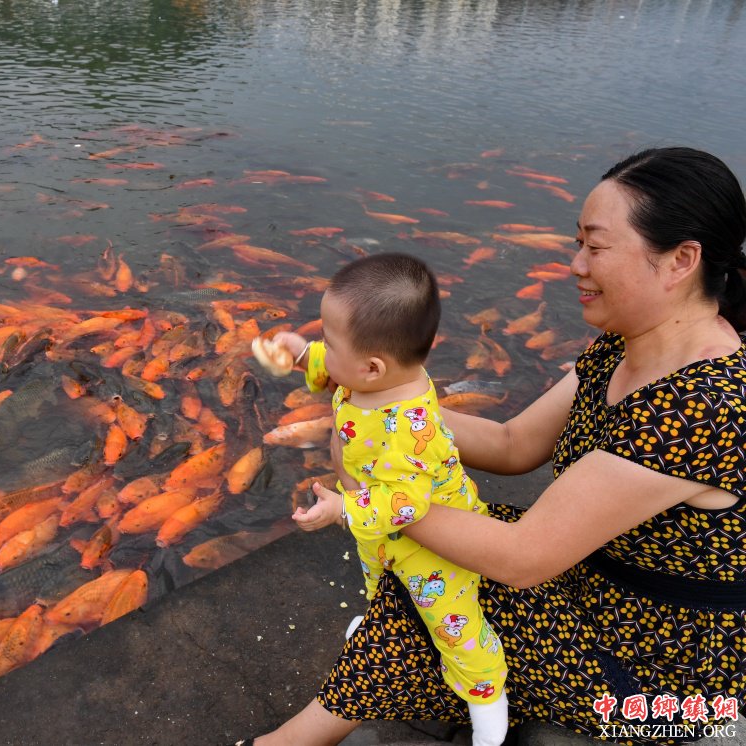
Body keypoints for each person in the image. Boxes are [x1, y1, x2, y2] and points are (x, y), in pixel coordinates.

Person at [248, 145, 746, 746]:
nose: (576, 264)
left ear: (681, 260)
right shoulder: (625, 346)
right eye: (577, 243)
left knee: (427, 582)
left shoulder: (704, 406)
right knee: (433, 570)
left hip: (657, 674)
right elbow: (514, 444)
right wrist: (386, 406)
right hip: (590, 587)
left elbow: (521, 558)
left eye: (595, 247)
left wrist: (370, 497)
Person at [256, 253, 510, 746]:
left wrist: (342, 508)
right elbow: (338, 369)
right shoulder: (381, 376)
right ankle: (384, 623)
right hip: (380, 528)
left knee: (453, 622)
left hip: (432, 546)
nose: (324, 350)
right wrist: (304, 353)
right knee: (381, 582)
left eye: (328, 343)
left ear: (372, 367)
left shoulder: (407, 426)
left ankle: (486, 698)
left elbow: (408, 504)